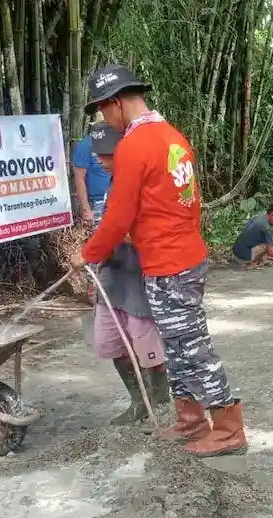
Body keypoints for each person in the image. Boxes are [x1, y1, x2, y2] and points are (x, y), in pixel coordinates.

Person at [73, 64, 246, 458]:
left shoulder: (135, 145)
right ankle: (190, 420)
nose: (104, 120)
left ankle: (229, 429)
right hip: (177, 257)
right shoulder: (172, 137)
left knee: (193, 347)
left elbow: (118, 217)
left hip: (170, 265)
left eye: (102, 110)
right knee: (176, 345)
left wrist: (87, 255)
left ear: (115, 103)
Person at [85, 123, 172, 424]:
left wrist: (113, 236)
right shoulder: (109, 188)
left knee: (147, 346)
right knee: (111, 343)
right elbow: (103, 232)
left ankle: (160, 399)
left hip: (136, 280)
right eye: (97, 153)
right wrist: (99, 253)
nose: (99, 159)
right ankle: (139, 401)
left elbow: (153, 231)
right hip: (110, 279)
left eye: (105, 154)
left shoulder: (141, 183)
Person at [72, 119, 113, 226]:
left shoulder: (113, 143)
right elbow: (79, 180)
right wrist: (86, 210)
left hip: (115, 200)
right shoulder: (85, 145)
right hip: (96, 203)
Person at [232, 204, 273, 268]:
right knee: (266, 246)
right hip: (243, 257)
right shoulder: (265, 227)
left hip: (236, 252)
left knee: (266, 243)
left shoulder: (257, 218)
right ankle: (251, 263)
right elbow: (271, 251)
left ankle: (260, 261)